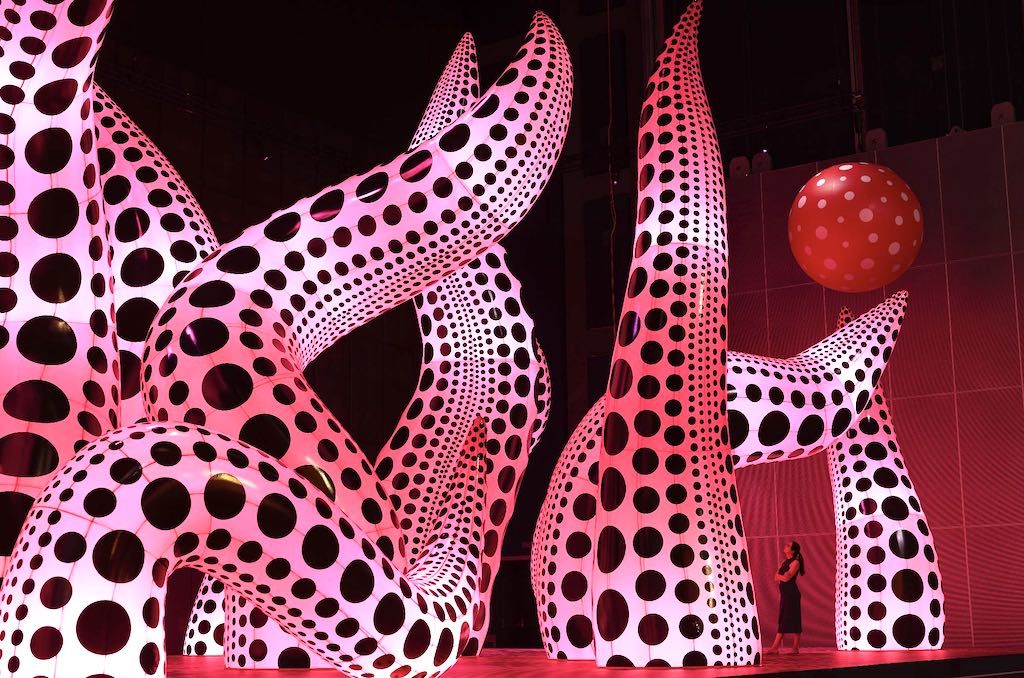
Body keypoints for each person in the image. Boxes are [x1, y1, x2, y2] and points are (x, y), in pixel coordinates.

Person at [766, 540, 804, 655]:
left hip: (792, 594)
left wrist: (781, 576)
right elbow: (776, 576)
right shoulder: (785, 562)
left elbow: (786, 578)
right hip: (785, 594)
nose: (785, 546)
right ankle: (792, 647)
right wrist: (782, 576)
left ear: (792, 550)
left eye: (788, 545)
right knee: (784, 618)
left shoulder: (795, 562)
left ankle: (777, 647)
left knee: (791, 619)